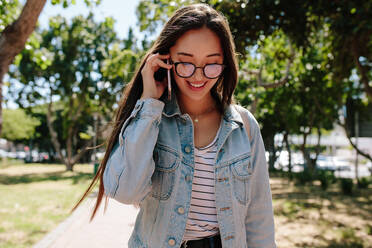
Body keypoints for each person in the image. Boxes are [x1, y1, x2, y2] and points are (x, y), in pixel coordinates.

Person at [73, 3, 276, 248]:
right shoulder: (151, 121)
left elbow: (259, 217)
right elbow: (125, 192)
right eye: (186, 62)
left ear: (225, 65)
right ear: (166, 59)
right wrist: (148, 102)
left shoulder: (244, 126)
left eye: (211, 63)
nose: (198, 76)